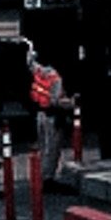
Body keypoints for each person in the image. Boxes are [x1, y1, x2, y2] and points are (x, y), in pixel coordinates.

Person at [27, 43, 71, 183]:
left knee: (42, 147)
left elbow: (30, 63)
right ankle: (47, 178)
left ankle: (39, 175)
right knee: (52, 149)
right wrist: (71, 104)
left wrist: (30, 49)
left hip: (39, 114)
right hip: (52, 116)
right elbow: (55, 101)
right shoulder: (56, 78)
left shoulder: (38, 71)